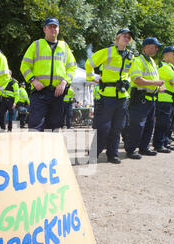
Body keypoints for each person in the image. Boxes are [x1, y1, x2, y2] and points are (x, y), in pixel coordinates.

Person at [85, 28, 134, 164]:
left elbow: (131, 74)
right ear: (117, 37)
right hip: (107, 96)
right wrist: (91, 77)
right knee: (104, 127)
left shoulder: (131, 56)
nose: (127, 38)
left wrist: (127, 82)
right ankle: (93, 154)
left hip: (122, 97)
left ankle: (113, 154)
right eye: (124, 36)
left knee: (117, 127)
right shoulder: (107, 52)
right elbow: (90, 63)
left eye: (129, 37)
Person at [20, 17, 77, 131]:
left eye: (55, 27)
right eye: (50, 27)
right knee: (35, 127)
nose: (53, 29)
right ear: (44, 29)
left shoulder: (64, 47)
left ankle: (51, 149)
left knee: (54, 128)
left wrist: (64, 82)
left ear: (59, 29)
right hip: (39, 93)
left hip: (57, 94)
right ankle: (35, 149)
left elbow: (72, 67)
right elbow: (24, 65)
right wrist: (33, 80)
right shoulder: (36, 45)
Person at [124, 37, 164, 160]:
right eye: (154, 46)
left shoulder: (151, 61)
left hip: (151, 99)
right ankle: (131, 149)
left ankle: (144, 147)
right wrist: (155, 83)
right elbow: (137, 80)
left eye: (157, 47)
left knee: (149, 125)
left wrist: (158, 88)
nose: (156, 49)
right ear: (146, 47)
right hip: (141, 99)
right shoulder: (138, 60)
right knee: (137, 125)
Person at [152, 46, 174, 153]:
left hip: (170, 99)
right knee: (162, 123)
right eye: (173, 53)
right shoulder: (164, 67)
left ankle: (165, 142)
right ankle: (158, 144)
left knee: (168, 123)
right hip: (164, 98)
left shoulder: (170, 67)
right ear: (166, 55)